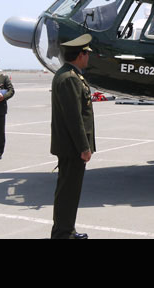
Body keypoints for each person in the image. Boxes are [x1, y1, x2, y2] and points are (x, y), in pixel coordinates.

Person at [50, 34, 96, 239]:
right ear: (80, 55)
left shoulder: (71, 75)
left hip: (70, 145)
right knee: (68, 192)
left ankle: (66, 229)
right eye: (87, 54)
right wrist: (84, 147)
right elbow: (73, 118)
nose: (88, 58)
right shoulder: (69, 78)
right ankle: (63, 233)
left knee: (69, 191)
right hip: (72, 147)